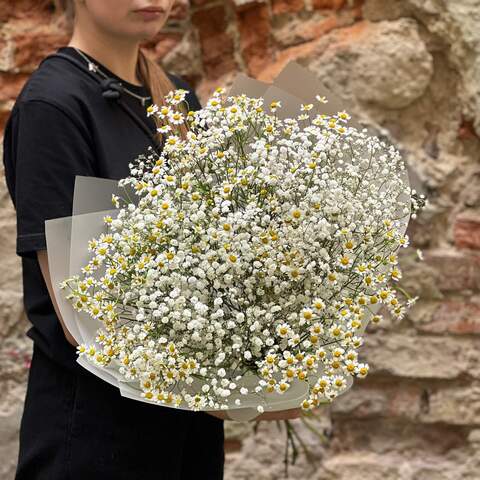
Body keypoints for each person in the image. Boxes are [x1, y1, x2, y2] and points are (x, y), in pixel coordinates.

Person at [2, 1, 301, 478]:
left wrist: (270, 361)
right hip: (96, 436)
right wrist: (221, 395)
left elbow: (216, 263)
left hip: (186, 430)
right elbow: (78, 307)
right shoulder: (54, 105)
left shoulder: (176, 98)